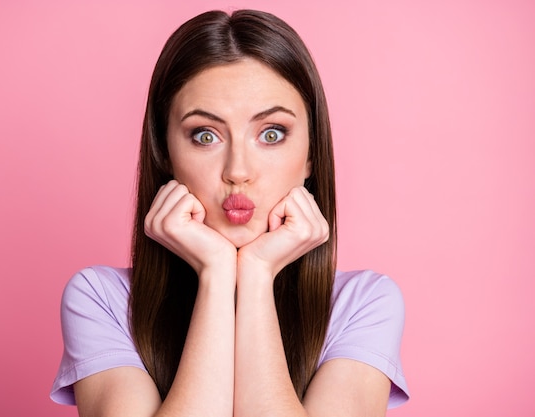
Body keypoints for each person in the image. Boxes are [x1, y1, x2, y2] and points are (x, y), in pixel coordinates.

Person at [50, 9, 409, 417]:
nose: (237, 171)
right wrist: (216, 274)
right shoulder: (102, 299)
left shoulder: (364, 304)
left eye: (271, 134)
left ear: (311, 155)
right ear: (165, 152)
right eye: (205, 135)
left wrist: (255, 274)